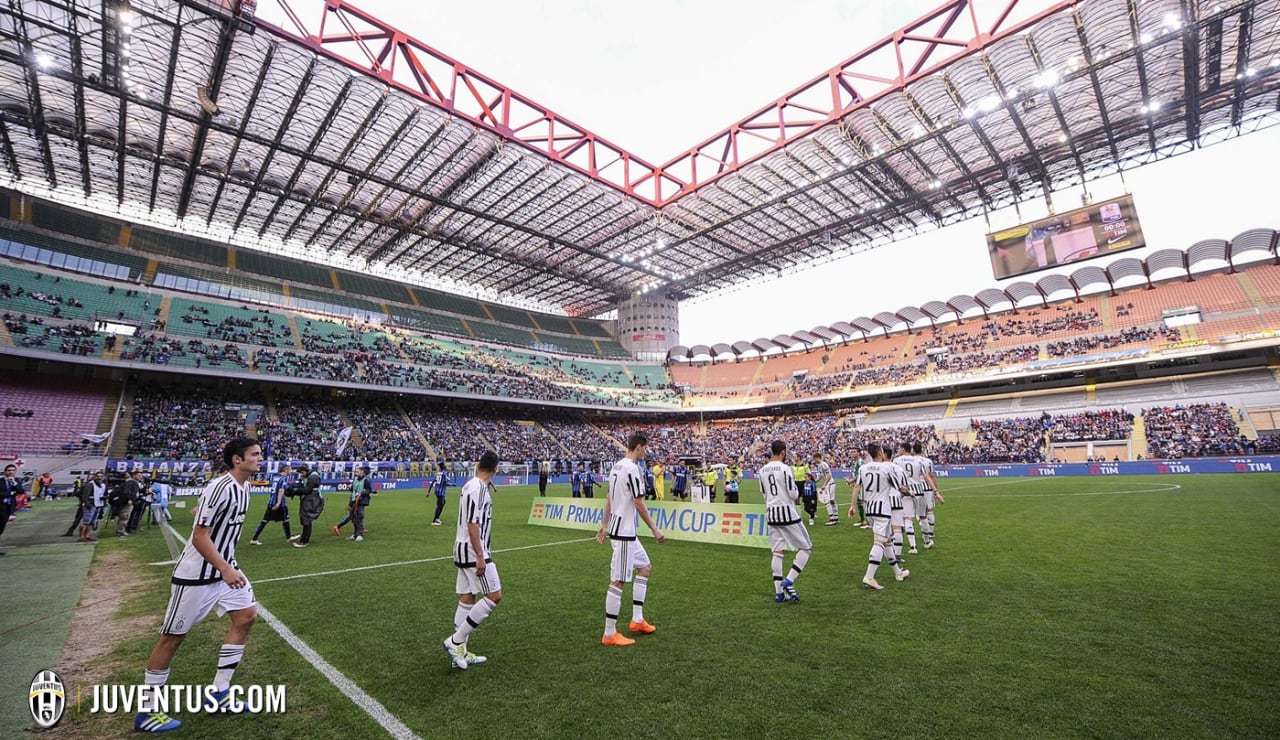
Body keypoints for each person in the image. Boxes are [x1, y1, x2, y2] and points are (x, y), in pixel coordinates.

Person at [135, 437, 263, 732]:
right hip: (196, 576)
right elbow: (199, 537)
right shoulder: (220, 487)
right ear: (237, 460)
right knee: (172, 638)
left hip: (225, 570)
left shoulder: (243, 488)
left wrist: (227, 567)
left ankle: (219, 693)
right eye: (254, 455)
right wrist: (224, 568)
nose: (260, 459)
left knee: (246, 617)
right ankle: (147, 712)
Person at [597, 432, 666, 646]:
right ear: (638, 447)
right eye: (644, 448)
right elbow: (638, 502)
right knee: (618, 581)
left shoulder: (616, 466)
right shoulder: (632, 468)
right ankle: (609, 634)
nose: (646, 452)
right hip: (624, 533)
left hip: (621, 530)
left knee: (645, 567)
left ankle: (637, 620)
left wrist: (604, 524)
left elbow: (610, 497)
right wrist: (654, 528)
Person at [442, 451, 502, 670]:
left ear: (478, 465)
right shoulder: (478, 488)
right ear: (496, 469)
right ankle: (456, 642)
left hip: (461, 547)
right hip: (472, 550)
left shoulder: (470, 484)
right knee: (494, 595)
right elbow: (473, 523)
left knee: (468, 597)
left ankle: (462, 654)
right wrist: (479, 555)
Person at [759, 440, 811, 602]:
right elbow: (793, 494)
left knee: (777, 551)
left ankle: (779, 594)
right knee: (806, 548)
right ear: (783, 452)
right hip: (787, 513)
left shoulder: (762, 470)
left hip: (771, 513)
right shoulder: (785, 468)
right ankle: (789, 580)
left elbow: (763, 493)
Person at [852, 442, 909, 590]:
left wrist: (852, 506)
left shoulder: (863, 468)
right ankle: (869, 577)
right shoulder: (886, 468)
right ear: (880, 453)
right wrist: (911, 493)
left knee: (887, 540)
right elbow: (900, 489)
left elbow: (857, 487)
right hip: (882, 510)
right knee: (880, 541)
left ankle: (898, 573)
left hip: (869, 509)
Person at [249, 464, 299, 545]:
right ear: (286, 470)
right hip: (280, 503)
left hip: (271, 502)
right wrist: (278, 502)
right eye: (290, 469)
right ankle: (289, 537)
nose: (291, 471)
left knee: (265, 520)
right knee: (285, 519)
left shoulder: (276, 478)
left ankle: (254, 538)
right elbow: (281, 490)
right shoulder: (284, 479)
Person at [893, 442, 925, 555]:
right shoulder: (918, 460)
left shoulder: (896, 461)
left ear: (903, 449)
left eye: (899, 448)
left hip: (904, 491)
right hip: (918, 490)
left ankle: (913, 546)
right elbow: (923, 476)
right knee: (919, 516)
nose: (898, 450)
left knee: (906, 519)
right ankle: (928, 538)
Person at [913, 442, 945, 547]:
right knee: (930, 511)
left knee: (919, 513)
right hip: (928, 489)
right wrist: (936, 490)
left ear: (913, 450)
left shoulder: (911, 461)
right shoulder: (928, 461)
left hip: (916, 489)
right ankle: (930, 533)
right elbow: (932, 476)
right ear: (922, 450)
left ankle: (925, 532)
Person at [333, 466, 371, 541]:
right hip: (353, 500)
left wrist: (361, 493)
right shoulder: (355, 479)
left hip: (361, 501)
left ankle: (360, 534)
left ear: (362, 472)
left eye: (357, 471)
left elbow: (369, 490)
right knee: (353, 518)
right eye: (355, 471)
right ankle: (355, 534)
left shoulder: (366, 480)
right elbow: (352, 490)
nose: (355, 473)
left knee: (359, 517)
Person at [291, 464, 324, 548]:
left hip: (312, 500)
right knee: (306, 519)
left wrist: (296, 491)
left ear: (305, 471)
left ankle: (305, 540)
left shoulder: (313, 477)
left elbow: (307, 490)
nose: (301, 475)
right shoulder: (309, 476)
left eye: (302, 473)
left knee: (306, 518)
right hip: (309, 499)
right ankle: (304, 538)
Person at [76, 471, 107, 542]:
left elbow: (103, 494)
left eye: (101, 476)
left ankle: (87, 535)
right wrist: (87, 503)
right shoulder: (90, 485)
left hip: (98, 504)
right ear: (95, 477)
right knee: (86, 521)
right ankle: (81, 536)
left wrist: (104, 498)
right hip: (91, 504)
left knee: (92, 522)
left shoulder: (103, 485)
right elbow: (85, 495)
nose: (99, 478)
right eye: (98, 476)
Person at [0, 463, 24, 555]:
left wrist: (14, 483)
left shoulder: (17, 481)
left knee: (1, 529)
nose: (11, 472)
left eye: (13, 470)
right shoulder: (1, 480)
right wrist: (10, 493)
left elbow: (21, 491)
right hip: (0, 505)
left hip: (8, 508)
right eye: (9, 470)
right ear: (5, 471)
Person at [813, 452, 838, 526]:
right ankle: (836, 517)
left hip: (829, 484)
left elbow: (829, 475)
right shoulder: (819, 466)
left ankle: (832, 518)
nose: (814, 460)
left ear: (817, 457)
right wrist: (814, 481)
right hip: (829, 484)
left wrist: (824, 485)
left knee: (827, 501)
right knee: (832, 501)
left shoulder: (824, 464)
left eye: (814, 458)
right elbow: (821, 476)